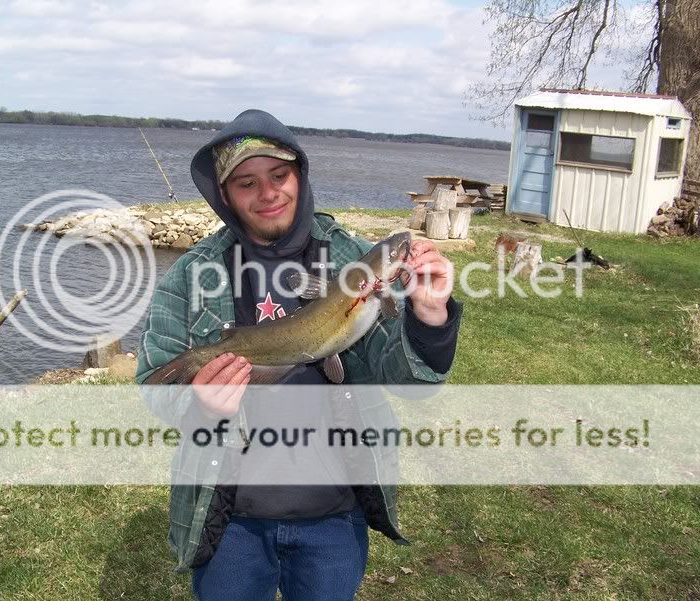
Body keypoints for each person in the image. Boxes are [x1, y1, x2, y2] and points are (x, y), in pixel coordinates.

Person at [136, 109, 462, 600]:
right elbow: (154, 386)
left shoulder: (352, 258)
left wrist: (431, 316)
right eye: (246, 183)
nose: (267, 194)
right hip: (230, 524)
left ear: (301, 176)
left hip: (333, 519)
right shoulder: (191, 273)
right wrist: (198, 404)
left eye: (279, 175)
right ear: (225, 196)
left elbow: (412, 386)